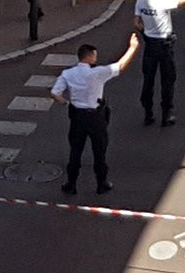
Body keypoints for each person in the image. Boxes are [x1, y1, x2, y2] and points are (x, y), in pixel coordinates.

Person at [52, 33, 141, 196]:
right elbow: (120, 66)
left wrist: (66, 103)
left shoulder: (67, 74)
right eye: (94, 56)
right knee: (99, 152)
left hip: (77, 117)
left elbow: (55, 93)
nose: (96, 59)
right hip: (95, 117)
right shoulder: (97, 73)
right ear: (89, 57)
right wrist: (132, 48)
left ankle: (71, 184)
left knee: (75, 152)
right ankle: (102, 183)